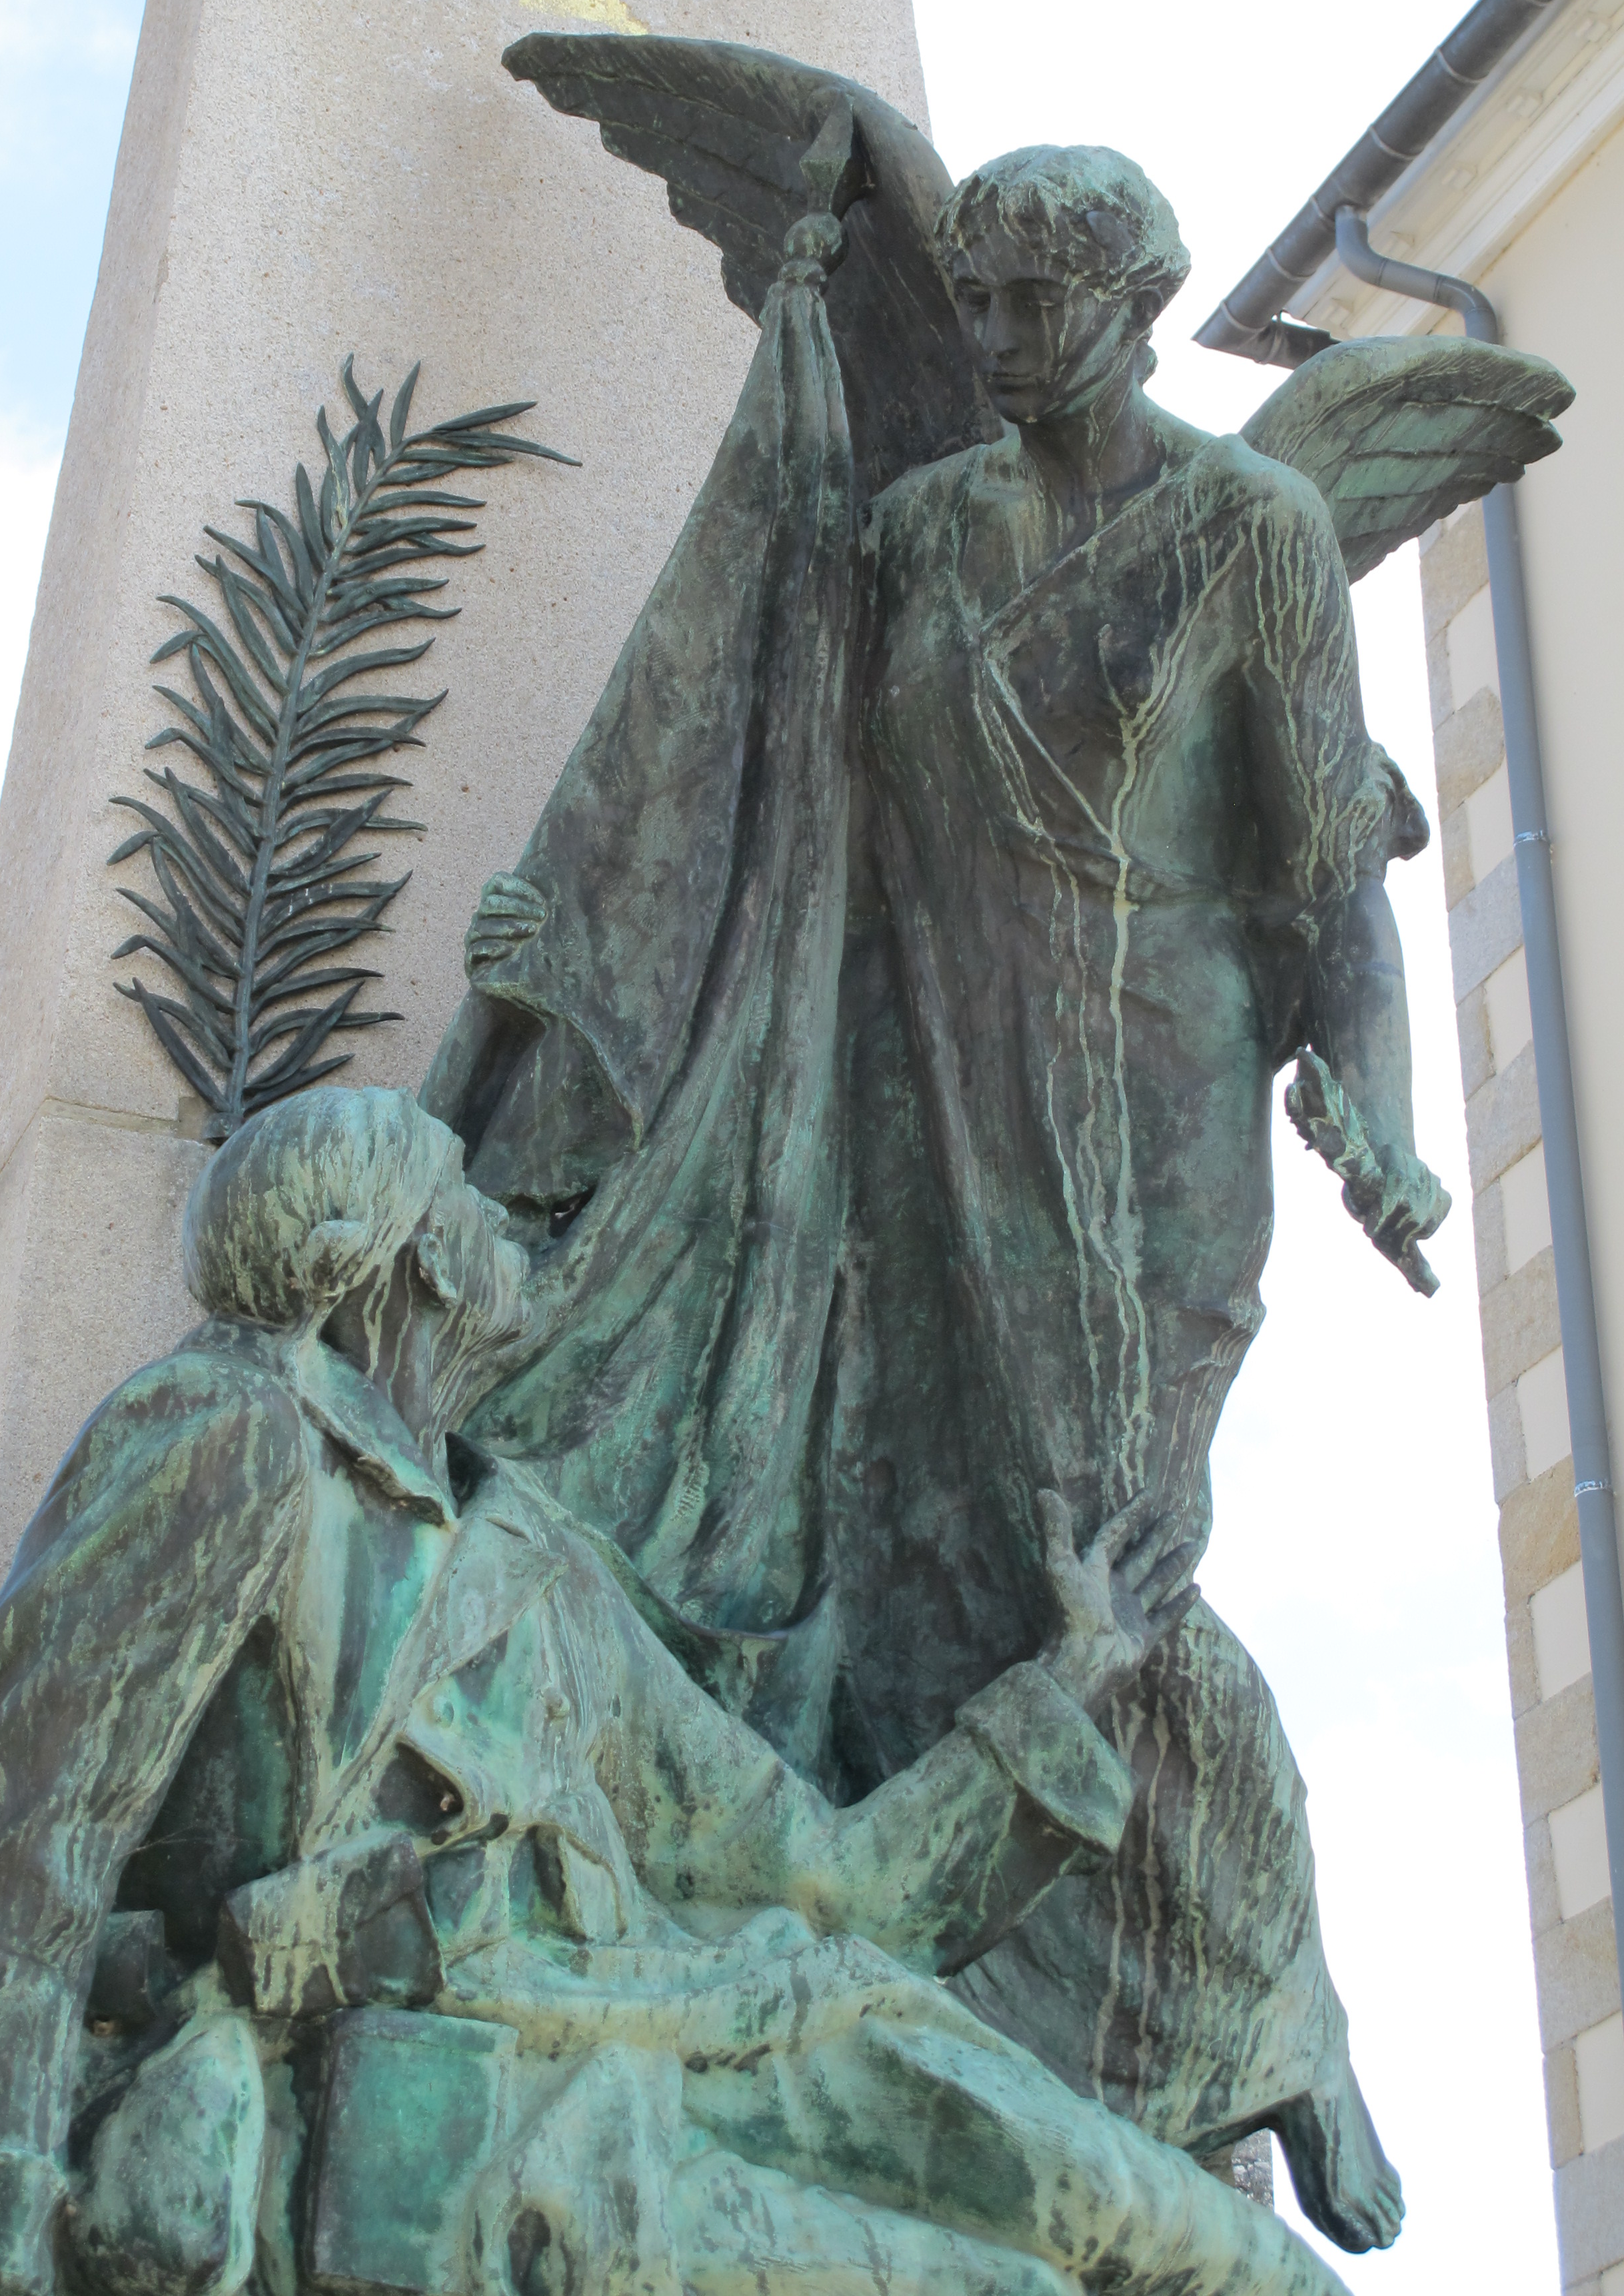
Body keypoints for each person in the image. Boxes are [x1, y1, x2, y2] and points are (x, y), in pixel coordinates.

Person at [428, 142, 1438, 2249]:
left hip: (1150, 1119)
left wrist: (1385, 1111)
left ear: (1138, 303)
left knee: (1111, 1560)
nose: (991, 339)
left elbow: (1332, 876)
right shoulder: (912, 532)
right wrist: (600, 955)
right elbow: (780, 786)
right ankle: (963, 2043)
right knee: (933, 1554)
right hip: (921, 1086)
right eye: (970, 297)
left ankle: (1253, 2014)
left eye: (1033, 301)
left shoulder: (1249, 532)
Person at [0, 1088, 1355, 2296]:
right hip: (475, 2109)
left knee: (1220, 2254)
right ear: (411, 1259)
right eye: (471, 1203)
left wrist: (1072, 1678)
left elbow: (821, 1873)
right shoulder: (232, 1433)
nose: (509, 1234)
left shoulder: (536, 1556)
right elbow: (14, 1830)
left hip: (709, 2034)